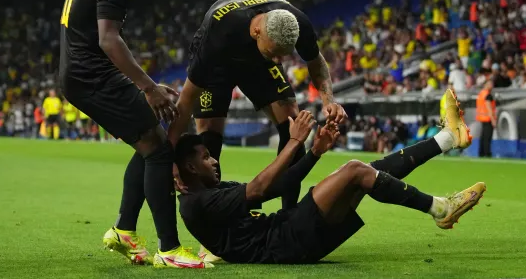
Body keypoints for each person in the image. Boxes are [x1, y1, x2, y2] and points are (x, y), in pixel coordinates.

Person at [58, 0, 208, 269]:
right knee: (158, 151)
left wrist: (149, 83)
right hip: (90, 75)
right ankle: (169, 249)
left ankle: (125, 231)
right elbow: (109, 39)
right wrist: (148, 87)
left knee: (150, 145)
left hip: (82, 71)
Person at [174, 89, 485, 264]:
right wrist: (295, 141)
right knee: (354, 170)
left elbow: (276, 187)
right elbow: (258, 189)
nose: (213, 161)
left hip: (286, 234)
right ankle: (440, 208)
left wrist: (313, 152)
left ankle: (447, 138)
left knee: (367, 171)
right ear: (188, 168)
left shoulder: (208, 194)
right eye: (205, 158)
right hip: (284, 243)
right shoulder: (198, 202)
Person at [166, 0, 348, 260]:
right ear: (256, 32)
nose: (278, 62)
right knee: (209, 134)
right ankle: (217, 224)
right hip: (220, 62)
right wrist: (170, 155)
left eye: (283, 56)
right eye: (274, 53)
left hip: (254, 62)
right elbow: (186, 100)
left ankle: (290, 214)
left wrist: (328, 100)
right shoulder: (219, 35)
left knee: (291, 121)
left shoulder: (296, 22)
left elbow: (315, 61)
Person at [476, 79, 496, 158]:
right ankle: (487, 153)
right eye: (490, 84)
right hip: (488, 118)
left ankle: (481, 153)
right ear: (486, 85)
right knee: (487, 137)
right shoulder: (488, 95)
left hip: (482, 117)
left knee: (483, 136)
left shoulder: (481, 94)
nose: (492, 86)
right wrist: (493, 119)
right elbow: (489, 107)